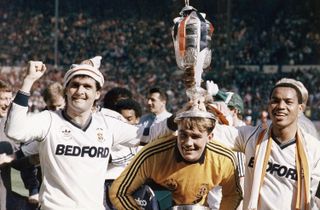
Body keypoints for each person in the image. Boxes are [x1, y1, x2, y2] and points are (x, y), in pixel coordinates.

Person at [4, 58, 164, 210]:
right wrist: (28, 81)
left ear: (97, 94)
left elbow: (150, 135)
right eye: (75, 85)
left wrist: (182, 117)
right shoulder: (49, 120)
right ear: (66, 90)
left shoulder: (109, 123)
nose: (80, 91)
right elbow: (15, 130)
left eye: (87, 86)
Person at [109, 98, 242, 209]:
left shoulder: (224, 159)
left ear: (210, 136)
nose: (188, 143)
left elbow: (232, 194)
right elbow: (119, 192)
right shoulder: (152, 154)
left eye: (195, 137)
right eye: (183, 135)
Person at [214, 79, 320, 209]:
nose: (281, 106)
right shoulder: (251, 137)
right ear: (269, 105)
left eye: (288, 102)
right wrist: (201, 106)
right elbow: (207, 132)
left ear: (300, 109)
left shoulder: (314, 149)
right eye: (275, 101)